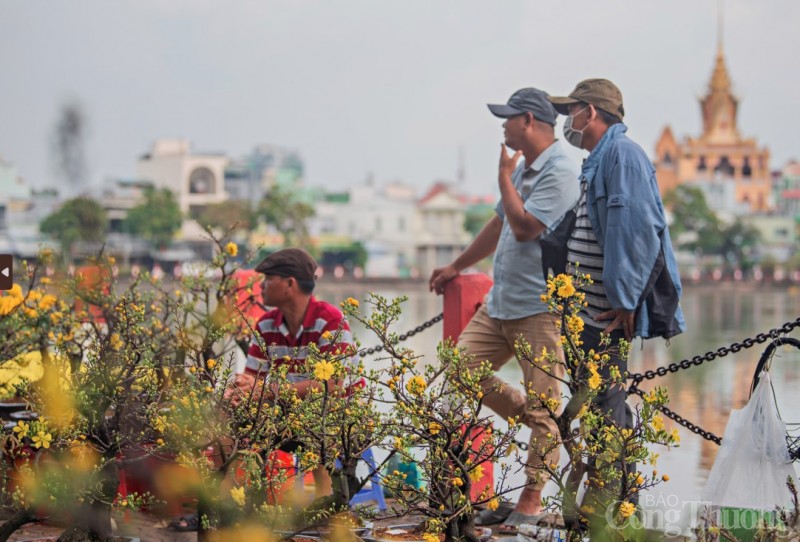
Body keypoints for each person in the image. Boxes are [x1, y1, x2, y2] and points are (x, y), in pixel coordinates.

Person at [429, 88, 580, 530]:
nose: (502, 126)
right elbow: (499, 223)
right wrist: (456, 266)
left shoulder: (560, 171)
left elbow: (526, 226)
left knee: (546, 407)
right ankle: (543, 424)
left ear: (529, 121)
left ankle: (530, 501)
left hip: (540, 310)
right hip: (500, 304)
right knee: (458, 367)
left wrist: (501, 178)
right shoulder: (524, 169)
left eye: (508, 119)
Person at [547, 79, 685, 508]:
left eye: (572, 110)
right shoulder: (600, 159)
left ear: (591, 112)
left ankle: (611, 508)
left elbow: (640, 232)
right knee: (602, 408)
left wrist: (626, 301)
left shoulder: (623, 156)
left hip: (604, 312)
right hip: (585, 311)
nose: (568, 119)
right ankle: (611, 505)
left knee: (606, 408)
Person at [228, 247, 358, 496]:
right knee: (231, 415)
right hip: (289, 413)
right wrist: (240, 390)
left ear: (289, 284)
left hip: (336, 417)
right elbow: (253, 379)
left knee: (315, 425)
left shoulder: (331, 321)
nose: (262, 287)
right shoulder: (266, 324)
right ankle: (225, 502)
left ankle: (326, 507)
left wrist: (268, 390)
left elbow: (331, 385)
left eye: (268, 279)